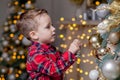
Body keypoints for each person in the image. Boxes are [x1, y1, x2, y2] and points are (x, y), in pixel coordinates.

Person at [16, 9, 82, 80]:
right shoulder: (35, 54)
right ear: (34, 35)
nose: (53, 28)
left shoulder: (50, 49)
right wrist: (70, 52)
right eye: (48, 27)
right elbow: (54, 70)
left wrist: (74, 51)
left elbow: (62, 64)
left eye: (52, 25)